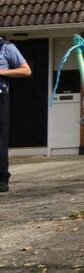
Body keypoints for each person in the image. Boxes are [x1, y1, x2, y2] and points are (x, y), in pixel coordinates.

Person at [0, 37, 31, 193]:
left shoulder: (6, 47)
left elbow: (26, 70)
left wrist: (1, 71)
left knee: (1, 139)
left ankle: (2, 179)